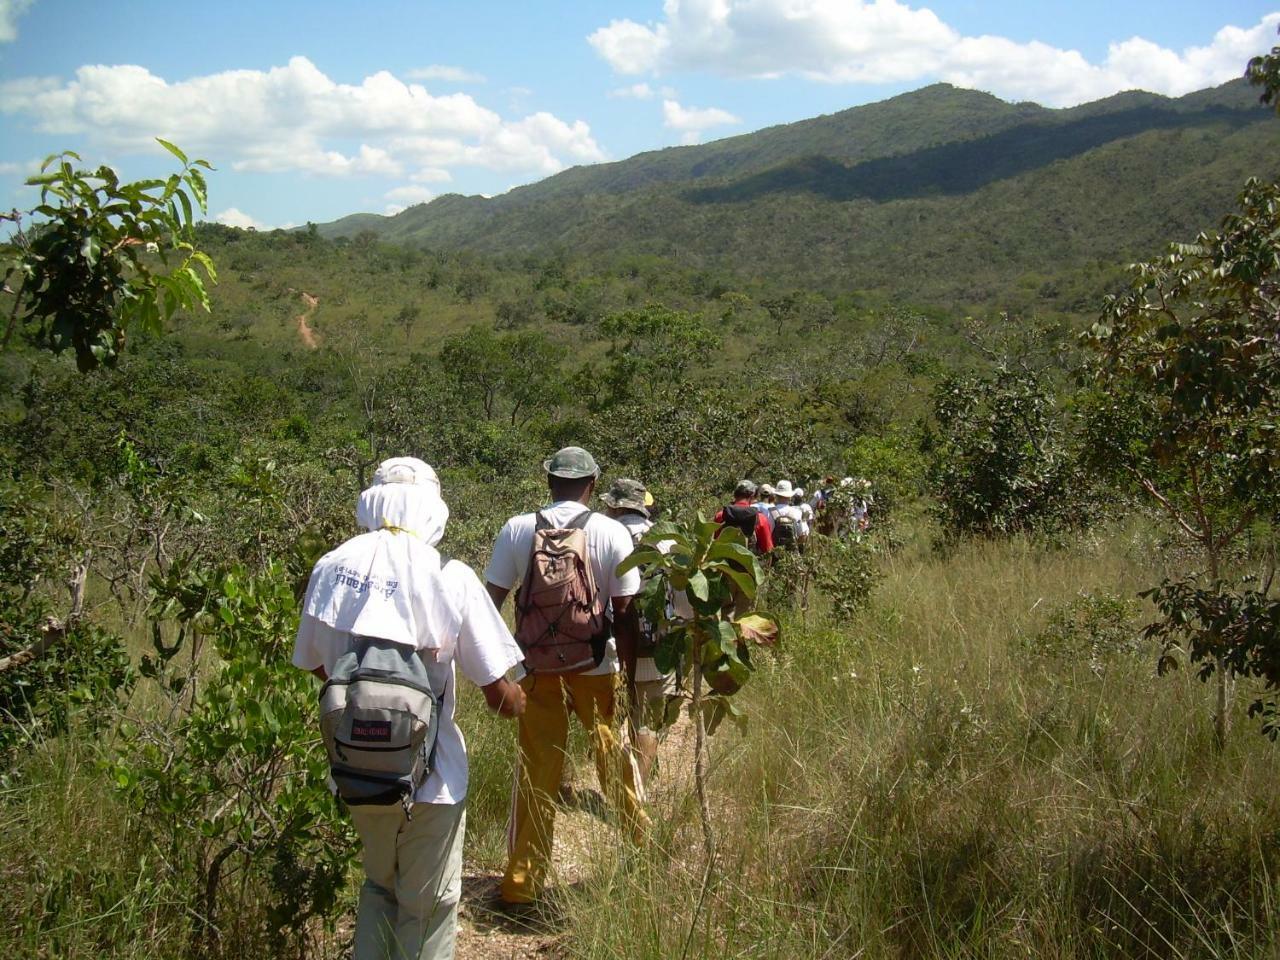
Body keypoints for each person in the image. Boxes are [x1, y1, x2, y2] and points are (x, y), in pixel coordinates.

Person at [293, 457, 526, 960]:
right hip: (434, 779)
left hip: (356, 769)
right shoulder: (449, 574)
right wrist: (522, 699)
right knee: (429, 904)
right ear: (432, 509)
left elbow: (316, 665)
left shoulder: (330, 568)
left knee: (379, 886)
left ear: (372, 501)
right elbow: (499, 696)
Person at [484, 447, 651, 908]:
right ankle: (643, 844)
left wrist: (504, 667)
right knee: (610, 753)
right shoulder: (611, 531)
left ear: (548, 482)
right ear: (593, 484)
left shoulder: (517, 529)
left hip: (537, 670)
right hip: (596, 667)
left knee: (538, 770)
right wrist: (631, 680)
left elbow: (488, 603)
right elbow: (626, 613)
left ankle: (521, 884)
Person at [599, 477, 684, 791]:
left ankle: (613, 784)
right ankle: (637, 790)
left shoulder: (603, 536)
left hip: (609, 645)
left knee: (609, 718)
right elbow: (683, 599)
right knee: (645, 720)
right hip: (655, 645)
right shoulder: (666, 541)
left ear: (614, 506)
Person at [715, 480, 774, 554]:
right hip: (750, 564)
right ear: (752, 496)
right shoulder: (760, 518)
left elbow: (714, 543)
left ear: (735, 495)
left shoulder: (721, 516)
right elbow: (768, 549)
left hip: (724, 563)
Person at [770, 480, 804, 551]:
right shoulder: (797, 512)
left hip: (775, 551)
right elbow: (801, 535)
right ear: (790, 497)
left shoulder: (770, 512)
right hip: (791, 552)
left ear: (776, 495)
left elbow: (768, 534)